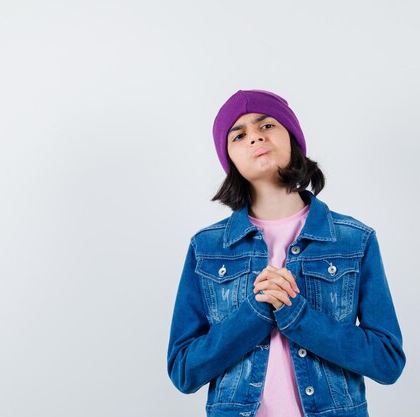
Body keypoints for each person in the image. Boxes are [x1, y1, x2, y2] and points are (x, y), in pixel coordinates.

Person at [167, 89, 406, 417]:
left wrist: (298, 317)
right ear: (230, 158)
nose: (254, 137)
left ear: (292, 138)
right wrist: (256, 313)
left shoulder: (354, 240)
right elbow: (183, 370)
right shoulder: (206, 248)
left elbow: (387, 361)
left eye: (266, 126)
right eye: (239, 135)